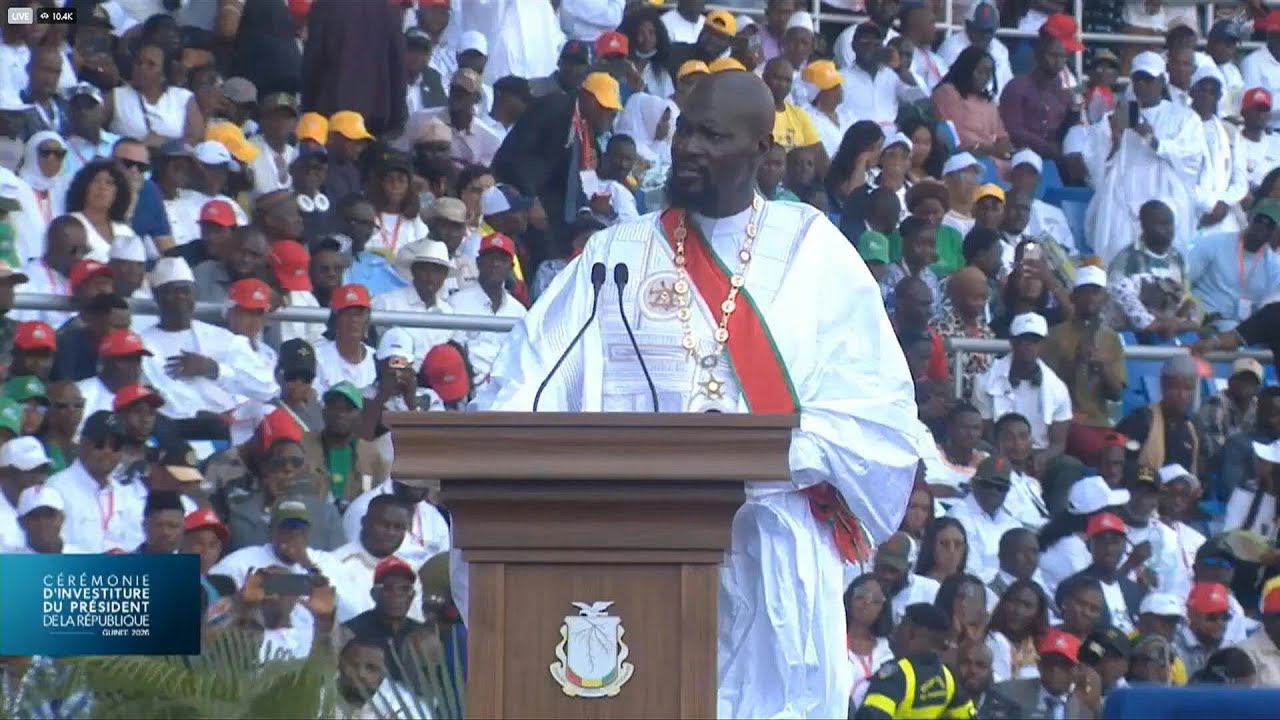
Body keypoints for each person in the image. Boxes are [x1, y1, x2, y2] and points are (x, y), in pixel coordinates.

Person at [1085, 52, 1209, 264]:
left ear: (1162, 81)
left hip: (1164, 192)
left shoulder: (1184, 117)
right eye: (1138, 79)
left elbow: (1191, 156)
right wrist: (1116, 136)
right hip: (1123, 192)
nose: (1142, 85)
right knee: (1117, 251)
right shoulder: (1116, 115)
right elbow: (1096, 164)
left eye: (1149, 79)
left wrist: (1154, 141)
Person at [491, 71, 621, 231]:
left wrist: (584, 208)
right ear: (587, 97)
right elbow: (517, 155)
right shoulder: (553, 108)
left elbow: (569, 170)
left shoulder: (583, 124)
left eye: (610, 111)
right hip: (513, 187)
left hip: (545, 192)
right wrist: (531, 199)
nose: (605, 115)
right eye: (602, 107)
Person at [1040, 266, 1126, 463]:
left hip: (1100, 422)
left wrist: (1102, 367)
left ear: (1104, 298)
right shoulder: (1054, 336)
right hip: (1067, 421)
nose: (1090, 298)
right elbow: (1046, 388)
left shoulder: (1111, 339)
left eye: (1096, 292)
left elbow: (1116, 394)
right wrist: (1076, 361)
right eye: (1085, 291)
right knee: (1101, 453)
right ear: (1073, 296)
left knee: (1124, 453)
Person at [972, 313, 1072, 460]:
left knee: (1069, 466)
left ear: (1043, 344)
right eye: (1023, 340)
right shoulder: (985, 382)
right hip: (998, 452)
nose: (1028, 346)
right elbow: (985, 433)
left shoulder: (1058, 388)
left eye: (1035, 341)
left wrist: (1042, 459)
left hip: (1039, 453)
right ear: (1012, 342)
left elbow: (1058, 444)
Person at [300, 0, 405, 136]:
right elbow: (397, 69)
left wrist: (308, 109)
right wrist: (396, 118)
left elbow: (313, 63)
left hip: (332, 111)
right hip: (376, 112)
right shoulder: (389, 10)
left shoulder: (324, 6)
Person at [853, 603, 976, 719]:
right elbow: (968, 715)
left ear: (911, 632)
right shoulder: (947, 676)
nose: (895, 630)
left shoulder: (896, 675)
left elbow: (872, 716)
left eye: (901, 624)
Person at [1105, 200, 1198, 340]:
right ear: (1144, 226)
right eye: (1161, 224)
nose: (1168, 230)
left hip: (1169, 331)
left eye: (1170, 223)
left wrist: (1180, 322)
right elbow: (1130, 306)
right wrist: (1162, 325)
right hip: (1130, 335)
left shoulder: (1177, 258)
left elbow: (1185, 299)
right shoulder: (1126, 260)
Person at [1187, 202, 1280, 331]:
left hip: (1241, 329)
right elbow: (1185, 280)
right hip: (1204, 318)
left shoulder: (1274, 265)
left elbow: (1268, 306)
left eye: (1269, 226)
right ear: (1250, 219)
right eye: (1259, 221)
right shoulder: (1215, 243)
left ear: (1274, 232)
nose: (1262, 228)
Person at [1115, 356, 1206, 477]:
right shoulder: (1141, 420)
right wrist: (1154, 478)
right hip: (1144, 491)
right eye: (1175, 387)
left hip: (1182, 493)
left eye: (1188, 389)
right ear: (1163, 385)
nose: (1182, 395)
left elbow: (1202, 471)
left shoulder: (1195, 426)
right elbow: (1124, 465)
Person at [979, 629, 1100, 719]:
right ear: (1039, 664)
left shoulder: (1083, 714)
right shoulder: (1006, 693)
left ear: (1078, 670)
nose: (1055, 669)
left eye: (1065, 665)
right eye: (1050, 662)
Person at [839, 21, 926, 132]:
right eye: (866, 42)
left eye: (876, 44)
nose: (871, 47)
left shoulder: (893, 74)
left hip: (891, 138)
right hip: (859, 138)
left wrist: (898, 68)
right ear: (854, 46)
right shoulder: (841, 77)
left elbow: (920, 96)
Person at [947, 456, 1022, 582]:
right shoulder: (958, 516)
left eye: (1001, 487)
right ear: (974, 483)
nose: (994, 491)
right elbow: (969, 570)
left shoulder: (1014, 525)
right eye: (988, 484)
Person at [998, 33, 1071, 162]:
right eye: (1053, 55)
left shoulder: (1064, 93)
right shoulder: (1017, 87)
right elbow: (1013, 130)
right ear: (1038, 56)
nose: (1058, 61)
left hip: (1056, 158)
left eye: (1062, 56)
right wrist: (1045, 146)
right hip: (1021, 155)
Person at [932, 46, 1011, 161]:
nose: (985, 77)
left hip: (993, 157)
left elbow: (1002, 136)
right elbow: (957, 136)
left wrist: (1005, 148)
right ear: (966, 69)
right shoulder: (947, 92)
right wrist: (989, 149)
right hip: (964, 157)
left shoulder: (989, 102)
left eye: (989, 73)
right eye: (981, 71)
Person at [1199, 358, 1265, 466]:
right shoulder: (1214, 405)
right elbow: (1214, 451)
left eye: (1251, 381)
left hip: (1249, 466)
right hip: (1218, 468)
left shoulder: (1259, 406)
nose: (1246, 385)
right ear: (1230, 381)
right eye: (1242, 379)